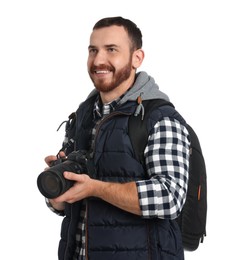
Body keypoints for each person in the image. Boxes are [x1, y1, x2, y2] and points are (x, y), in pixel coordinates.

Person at [43, 16, 191, 260]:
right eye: (93, 50)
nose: (99, 60)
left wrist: (97, 188)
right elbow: (69, 206)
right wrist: (59, 189)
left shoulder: (159, 118)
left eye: (111, 49)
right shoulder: (83, 115)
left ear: (137, 58)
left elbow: (170, 197)